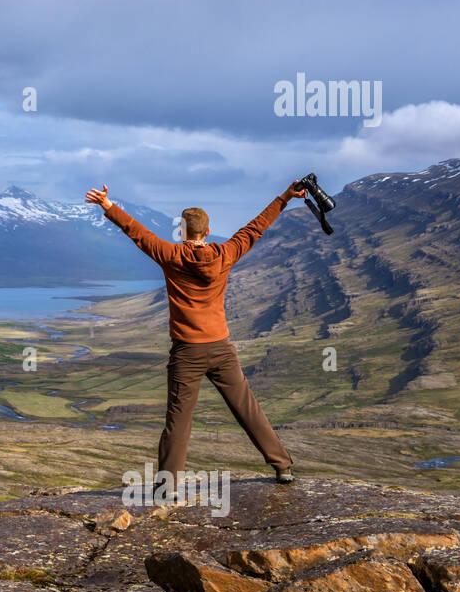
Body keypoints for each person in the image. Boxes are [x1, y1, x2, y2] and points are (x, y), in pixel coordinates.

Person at [84, 182, 307, 489]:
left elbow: (137, 233)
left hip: (187, 352)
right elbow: (256, 227)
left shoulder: (170, 254)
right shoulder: (225, 253)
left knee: (178, 420)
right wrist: (284, 198)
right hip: (221, 349)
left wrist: (108, 206)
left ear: (183, 230)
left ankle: (167, 488)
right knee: (247, 409)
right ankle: (282, 466)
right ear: (208, 230)